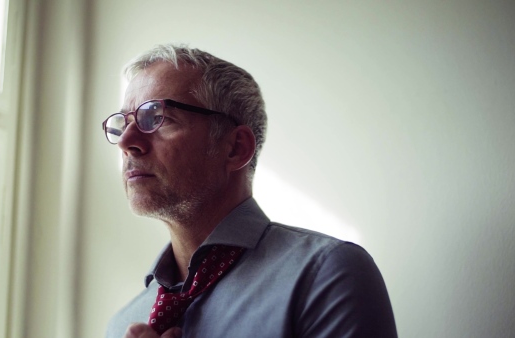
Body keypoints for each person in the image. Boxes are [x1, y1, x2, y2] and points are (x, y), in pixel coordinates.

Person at [102, 44, 397, 338]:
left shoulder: (326, 276)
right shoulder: (122, 326)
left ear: (235, 148)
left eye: (157, 117)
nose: (126, 141)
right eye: (122, 124)